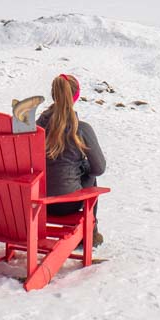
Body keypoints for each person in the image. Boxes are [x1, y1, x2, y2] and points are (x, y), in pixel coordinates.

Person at [36, 74, 107, 244]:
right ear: (75, 97)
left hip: (37, 201)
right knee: (91, 175)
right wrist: (82, 166)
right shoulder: (81, 129)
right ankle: (91, 234)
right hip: (67, 204)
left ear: (54, 95)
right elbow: (99, 168)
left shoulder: (37, 127)